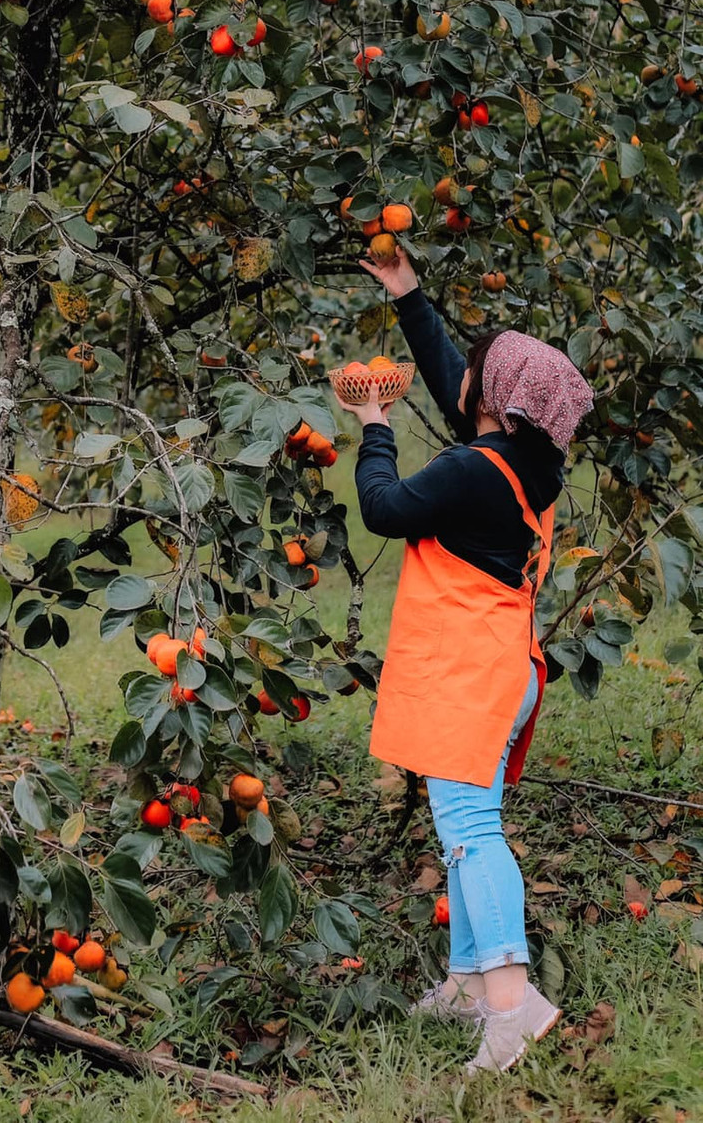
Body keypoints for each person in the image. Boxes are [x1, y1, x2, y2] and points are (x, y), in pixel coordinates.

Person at [332, 244, 594, 1076]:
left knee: (473, 835)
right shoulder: (531, 458)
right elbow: (459, 383)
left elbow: (382, 509)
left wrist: (373, 427)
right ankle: (468, 982)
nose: (462, 385)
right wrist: (409, 296)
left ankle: (514, 1005)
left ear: (494, 402)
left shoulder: (468, 471)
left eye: (476, 377)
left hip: (471, 675)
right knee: (463, 829)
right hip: (505, 664)